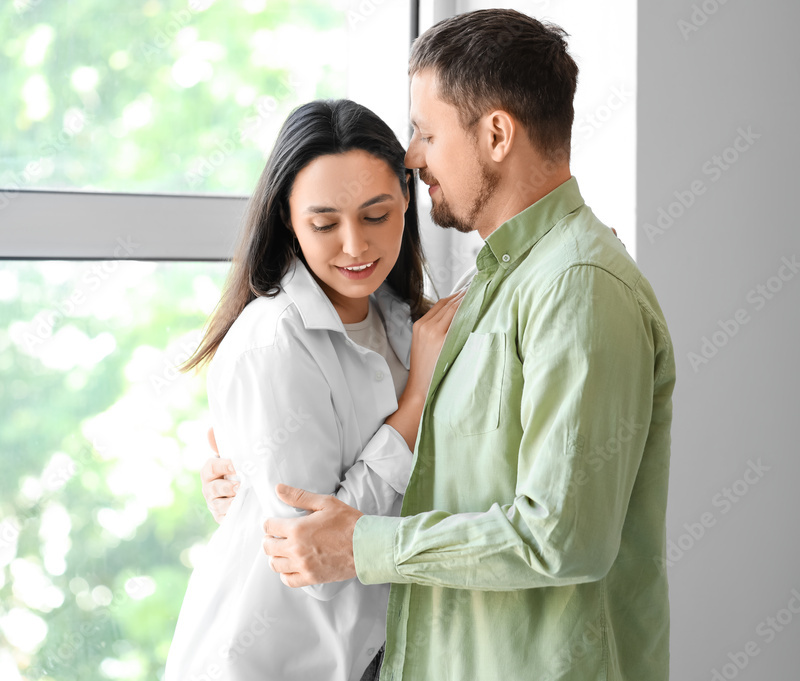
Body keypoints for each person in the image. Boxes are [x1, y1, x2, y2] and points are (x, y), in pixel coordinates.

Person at [203, 9, 676, 680]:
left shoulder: (577, 285)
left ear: (496, 135)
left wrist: (359, 543)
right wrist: (252, 483)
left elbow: (559, 535)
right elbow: (448, 473)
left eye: (426, 132)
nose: (413, 156)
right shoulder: (493, 284)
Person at [166, 98, 463, 681]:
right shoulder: (273, 342)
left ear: (408, 195)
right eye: (324, 224)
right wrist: (416, 403)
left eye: (377, 216)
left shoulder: (403, 318)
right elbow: (314, 553)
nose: (355, 246)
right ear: (286, 218)